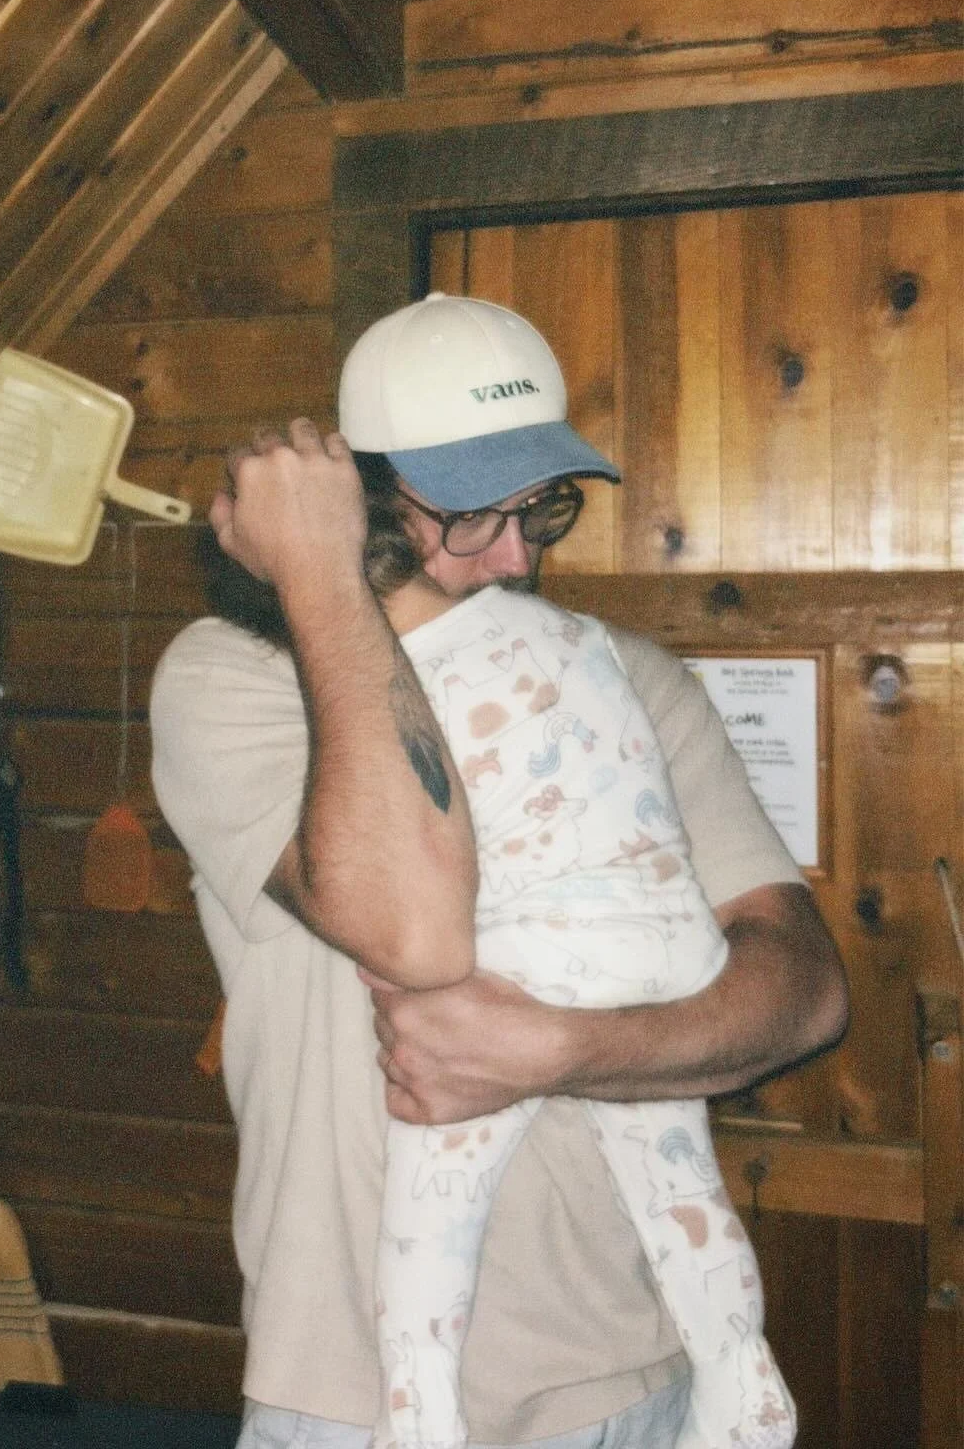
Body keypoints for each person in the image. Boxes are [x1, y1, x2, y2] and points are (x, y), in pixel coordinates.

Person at [150, 294, 848, 1449]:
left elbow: (808, 991)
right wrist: (321, 578)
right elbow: (412, 931)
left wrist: (565, 1053)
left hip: (632, 1382)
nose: (520, 556)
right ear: (363, 503)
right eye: (473, 516)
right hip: (358, 1401)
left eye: (542, 508)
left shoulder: (625, 677)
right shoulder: (235, 677)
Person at [366, 523, 792, 1449]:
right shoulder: (584, 638)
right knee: (678, 1190)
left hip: (544, 953)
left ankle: (417, 1410)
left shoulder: (388, 678)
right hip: (674, 944)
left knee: (431, 1214)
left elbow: (402, 888)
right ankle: (742, 1368)